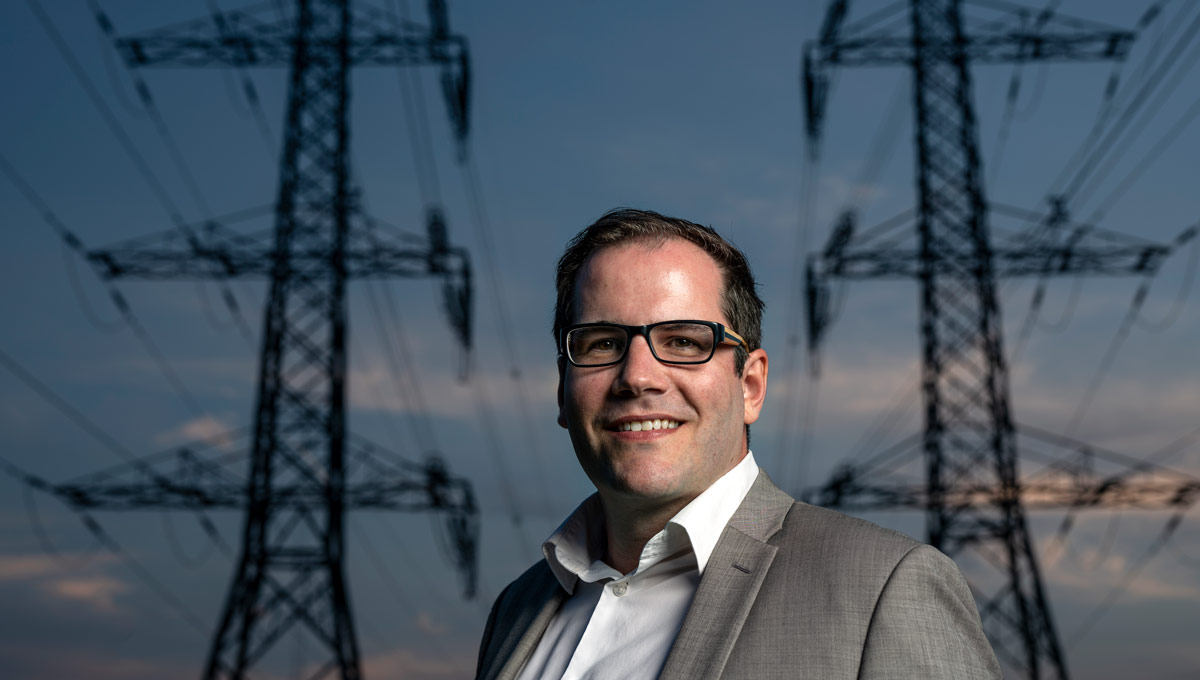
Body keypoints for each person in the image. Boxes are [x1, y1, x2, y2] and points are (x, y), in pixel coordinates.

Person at [475, 208, 1000, 679]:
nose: (637, 377)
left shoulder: (886, 587)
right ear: (563, 391)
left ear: (750, 386)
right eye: (604, 343)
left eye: (684, 341)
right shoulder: (516, 611)